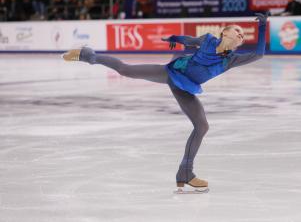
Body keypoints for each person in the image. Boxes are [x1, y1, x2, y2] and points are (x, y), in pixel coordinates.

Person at [61, 12, 269, 193]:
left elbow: (259, 54)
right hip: (171, 74)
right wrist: (175, 38)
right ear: (224, 32)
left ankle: (185, 172)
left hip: (186, 88)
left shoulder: (232, 59)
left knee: (202, 126)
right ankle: (88, 55)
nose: (241, 35)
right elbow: (190, 40)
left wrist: (261, 27)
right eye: (237, 31)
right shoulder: (207, 40)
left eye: (242, 35)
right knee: (126, 70)